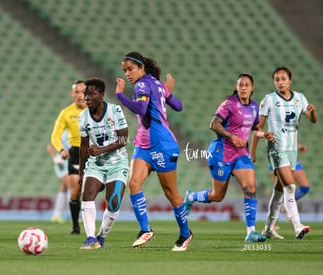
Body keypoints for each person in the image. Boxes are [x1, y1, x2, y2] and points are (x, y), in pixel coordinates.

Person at [116, 52, 192, 252]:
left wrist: (120, 95)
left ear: (142, 68)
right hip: (144, 144)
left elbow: (141, 109)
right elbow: (178, 106)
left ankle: (185, 233)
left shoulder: (142, 85)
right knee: (133, 183)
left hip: (161, 144)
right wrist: (166, 93)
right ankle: (145, 230)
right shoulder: (156, 84)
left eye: (130, 69)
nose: (127, 74)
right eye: (125, 70)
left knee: (171, 193)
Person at [184, 73, 272, 242]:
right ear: (237, 87)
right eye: (241, 85)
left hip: (241, 154)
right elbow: (214, 124)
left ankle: (251, 232)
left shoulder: (254, 107)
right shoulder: (229, 104)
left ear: (252, 88)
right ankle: (191, 197)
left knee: (250, 188)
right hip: (221, 153)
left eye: (247, 85)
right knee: (217, 196)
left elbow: (255, 128)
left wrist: (263, 133)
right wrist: (232, 137)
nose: (244, 88)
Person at [251, 66, 317, 240]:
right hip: (276, 148)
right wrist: (252, 151)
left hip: (292, 150)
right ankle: (297, 226)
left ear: (290, 81)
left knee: (279, 191)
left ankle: (267, 228)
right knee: (290, 186)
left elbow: (312, 120)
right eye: (277, 79)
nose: (280, 82)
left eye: (283, 79)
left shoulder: (300, 98)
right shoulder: (269, 100)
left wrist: (313, 112)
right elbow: (258, 127)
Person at [78, 78, 129, 249]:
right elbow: (84, 146)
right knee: (87, 194)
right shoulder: (83, 117)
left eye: (91, 94)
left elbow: (123, 139)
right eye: (85, 94)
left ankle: (101, 236)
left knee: (113, 201)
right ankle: (90, 238)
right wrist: (81, 173)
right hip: (96, 164)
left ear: (101, 94)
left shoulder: (115, 111)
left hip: (117, 162)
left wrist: (101, 150)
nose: (87, 98)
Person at [51, 80, 87, 234]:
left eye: (82, 91)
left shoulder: (97, 110)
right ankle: (76, 226)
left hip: (95, 152)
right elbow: (55, 136)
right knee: (75, 191)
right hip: (75, 153)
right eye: (76, 92)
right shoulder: (66, 113)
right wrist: (61, 150)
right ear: (72, 94)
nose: (80, 95)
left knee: (93, 189)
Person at [46, 130, 71, 224]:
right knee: (71, 186)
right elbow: (50, 147)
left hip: (71, 162)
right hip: (62, 164)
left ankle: (56, 215)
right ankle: (74, 215)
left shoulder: (76, 132)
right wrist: (55, 158)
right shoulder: (63, 133)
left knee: (64, 188)